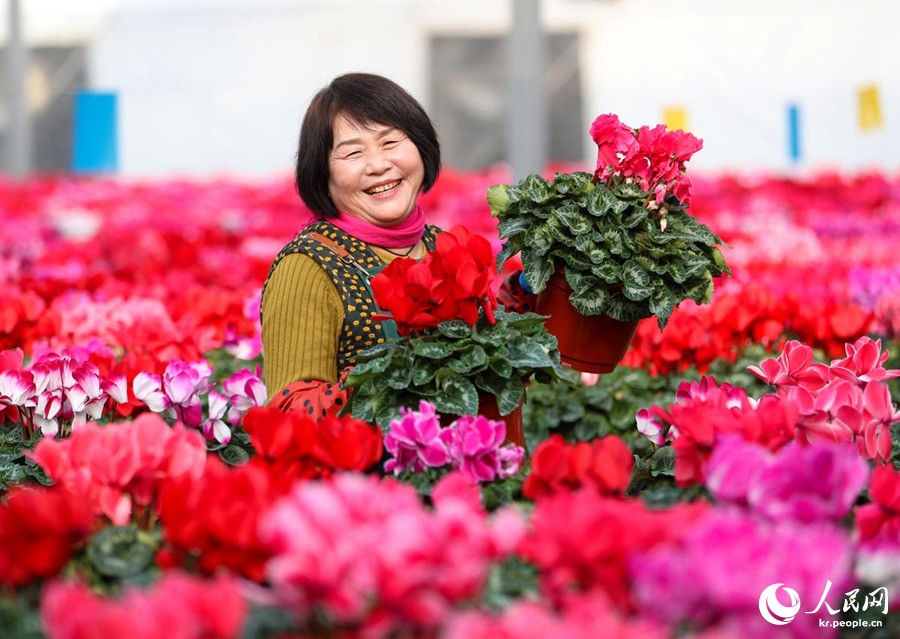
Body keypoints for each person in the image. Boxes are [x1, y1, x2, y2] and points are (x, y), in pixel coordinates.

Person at [260, 73, 444, 418]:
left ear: (420, 146)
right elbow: (289, 412)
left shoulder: (443, 246)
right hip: (367, 469)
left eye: (390, 143)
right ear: (323, 175)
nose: (378, 165)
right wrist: (390, 380)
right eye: (353, 153)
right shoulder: (308, 266)